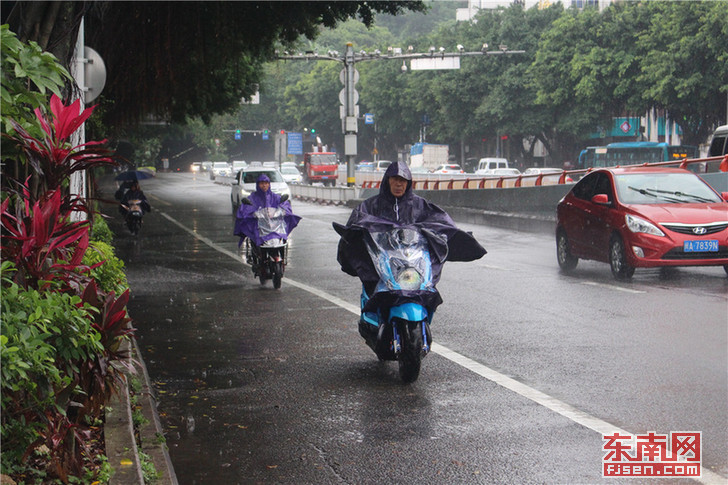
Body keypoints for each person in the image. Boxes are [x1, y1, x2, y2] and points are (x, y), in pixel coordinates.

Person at [334, 161, 486, 345]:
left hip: (412, 260)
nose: (399, 184)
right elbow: (357, 223)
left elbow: (440, 221)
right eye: (395, 179)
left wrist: (453, 234)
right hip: (384, 261)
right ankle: (373, 318)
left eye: (403, 180)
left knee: (425, 283)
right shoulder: (371, 206)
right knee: (371, 279)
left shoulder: (420, 205)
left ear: (409, 183)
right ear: (387, 181)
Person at [233, 174, 301, 248]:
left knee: (282, 237)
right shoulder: (253, 198)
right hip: (259, 226)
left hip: (275, 226)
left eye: (266, 183)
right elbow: (246, 208)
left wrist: (280, 212)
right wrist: (253, 213)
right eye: (262, 183)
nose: (264, 185)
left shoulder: (275, 197)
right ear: (258, 185)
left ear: (269, 184)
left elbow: (284, 206)